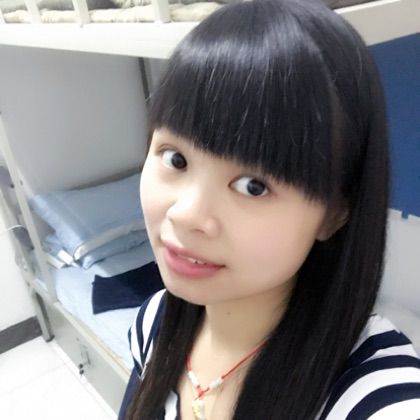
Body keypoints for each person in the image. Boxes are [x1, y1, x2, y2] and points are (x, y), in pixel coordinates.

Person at [118, 0, 420, 418]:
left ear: (334, 213)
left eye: (253, 186)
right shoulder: (153, 323)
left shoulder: (372, 396)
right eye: (176, 159)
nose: (185, 215)